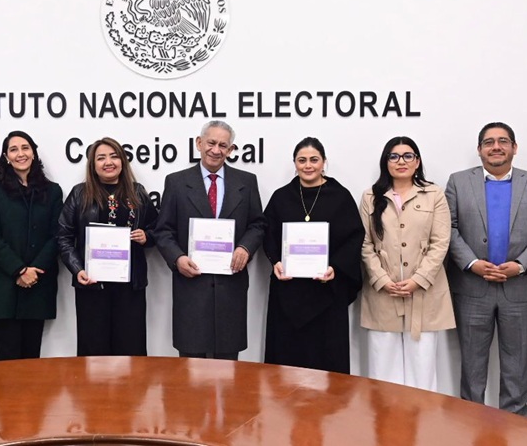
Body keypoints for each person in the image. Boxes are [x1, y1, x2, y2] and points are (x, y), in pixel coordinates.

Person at [445, 122, 527, 415]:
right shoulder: (458, 182)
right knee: (472, 364)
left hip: (520, 288)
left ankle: (514, 425)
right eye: (489, 142)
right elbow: (448, 228)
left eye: (503, 141)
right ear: (479, 149)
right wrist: (472, 264)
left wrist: (520, 266)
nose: (496, 147)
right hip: (472, 288)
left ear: (514, 147)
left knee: (517, 364)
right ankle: (471, 423)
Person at [154, 120, 266, 360]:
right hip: (191, 286)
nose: (216, 150)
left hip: (230, 287)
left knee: (228, 367)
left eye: (223, 145)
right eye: (211, 143)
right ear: (199, 143)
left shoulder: (247, 182)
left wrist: (245, 248)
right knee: (190, 368)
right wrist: (177, 258)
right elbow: (163, 230)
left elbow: (257, 224)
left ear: (231, 149)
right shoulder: (176, 182)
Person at [359, 136, 454, 391]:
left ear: (417, 161)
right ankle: (386, 418)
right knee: (383, 372)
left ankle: (423, 418)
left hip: (424, 293)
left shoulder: (434, 194)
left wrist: (418, 280)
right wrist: (382, 280)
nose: (401, 161)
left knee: (422, 371)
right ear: (386, 162)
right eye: (394, 156)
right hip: (383, 294)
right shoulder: (370, 196)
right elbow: (365, 244)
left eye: (408, 156)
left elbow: (440, 242)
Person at [261, 137, 364, 373]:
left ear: (324, 162)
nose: (308, 165)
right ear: (295, 163)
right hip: (288, 294)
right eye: (302, 160)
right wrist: (275, 261)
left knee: (327, 364)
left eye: (314, 160)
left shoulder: (340, 196)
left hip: (327, 293)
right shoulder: (281, 197)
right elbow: (267, 234)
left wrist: (336, 267)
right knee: (286, 365)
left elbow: (354, 238)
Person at [57, 137, 158, 356]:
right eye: (101, 158)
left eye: (114, 156)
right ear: (93, 165)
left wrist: (146, 237)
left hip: (130, 287)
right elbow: (63, 236)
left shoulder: (137, 192)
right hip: (92, 285)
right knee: (94, 352)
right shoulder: (80, 193)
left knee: (131, 351)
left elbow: (157, 229)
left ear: (123, 161)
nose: (108, 162)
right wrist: (77, 269)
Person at [0, 131, 63, 360]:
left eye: (25, 148)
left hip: (38, 282)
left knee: (31, 361)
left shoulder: (52, 191)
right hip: (4, 285)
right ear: (6, 157)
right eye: (13, 149)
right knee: (6, 362)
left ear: (34, 153)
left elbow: (57, 235)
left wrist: (34, 271)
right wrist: (19, 270)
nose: (20, 154)